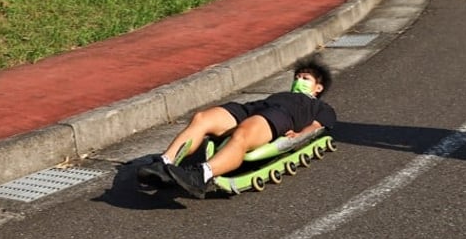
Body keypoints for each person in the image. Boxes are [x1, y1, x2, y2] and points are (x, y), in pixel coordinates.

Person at [137, 54, 336, 198]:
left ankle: (201, 174)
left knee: (243, 133)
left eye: (305, 78)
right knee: (202, 118)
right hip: (253, 108)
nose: (298, 80)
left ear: (318, 88)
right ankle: (164, 163)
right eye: (297, 77)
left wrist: (300, 133)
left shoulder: (319, 107)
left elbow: (318, 127)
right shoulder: (283, 94)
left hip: (279, 117)